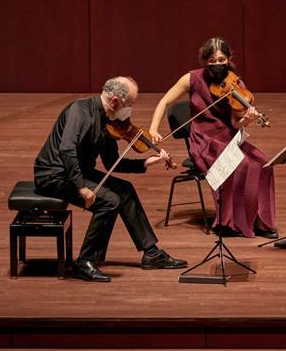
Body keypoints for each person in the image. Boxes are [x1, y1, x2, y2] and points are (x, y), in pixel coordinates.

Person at [34, 77, 187, 282]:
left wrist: (145, 163)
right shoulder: (80, 111)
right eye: (130, 104)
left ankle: (151, 253)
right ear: (115, 101)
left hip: (79, 173)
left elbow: (112, 163)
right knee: (109, 200)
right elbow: (66, 149)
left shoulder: (109, 121)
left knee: (125, 190)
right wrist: (81, 188)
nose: (131, 110)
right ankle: (84, 262)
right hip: (54, 175)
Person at [149, 37, 277, 239]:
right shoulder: (192, 79)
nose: (218, 65)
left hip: (229, 137)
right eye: (212, 61)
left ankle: (259, 218)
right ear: (205, 61)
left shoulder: (236, 84)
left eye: (221, 60)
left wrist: (247, 120)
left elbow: (236, 124)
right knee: (241, 165)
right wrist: (153, 129)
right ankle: (232, 223)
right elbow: (164, 101)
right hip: (204, 141)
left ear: (229, 59)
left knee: (263, 163)